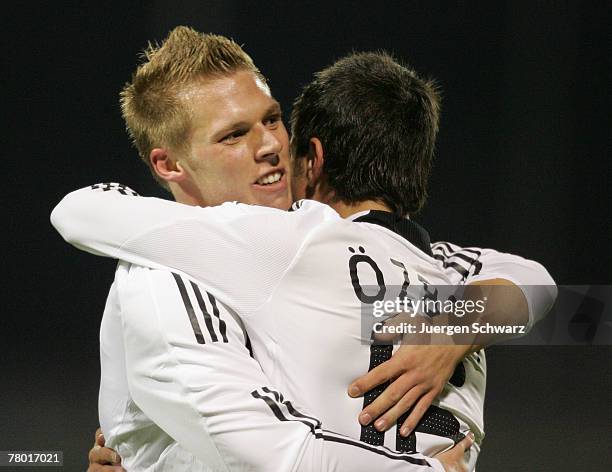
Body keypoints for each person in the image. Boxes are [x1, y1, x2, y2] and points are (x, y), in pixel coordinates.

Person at [52, 28, 555, 471]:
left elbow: (269, 450)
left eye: (271, 120)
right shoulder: (449, 270)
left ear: (311, 157)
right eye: (233, 135)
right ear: (168, 165)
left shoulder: (289, 245)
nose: (269, 145)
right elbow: (566, 299)